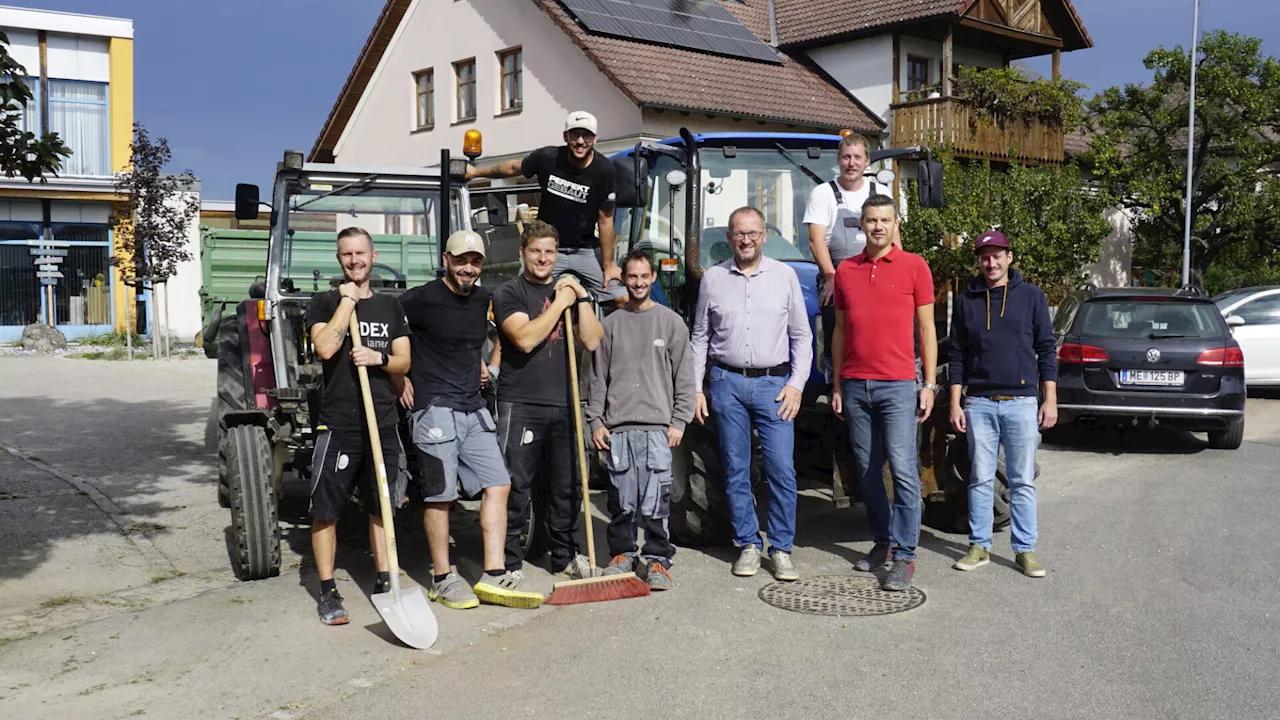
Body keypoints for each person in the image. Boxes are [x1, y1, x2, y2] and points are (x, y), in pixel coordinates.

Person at [395, 230, 537, 609]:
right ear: (447, 260)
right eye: (461, 260)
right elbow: (389, 329)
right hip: (434, 409)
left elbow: (495, 338)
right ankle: (442, 578)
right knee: (441, 495)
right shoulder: (420, 299)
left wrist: (487, 365)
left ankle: (492, 575)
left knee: (499, 484)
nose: (468, 268)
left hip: (473, 408)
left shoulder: (483, 300)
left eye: (475, 261)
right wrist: (398, 376)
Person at [691, 207, 812, 581]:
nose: (746, 240)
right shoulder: (712, 278)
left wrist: (796, 384)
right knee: (736, 468)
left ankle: (780, 548)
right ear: (729, 237)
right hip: (726, 383)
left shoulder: (785, 276)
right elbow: (700, 338)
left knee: (780, 469)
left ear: (764, 236)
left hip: (775, 386)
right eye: (738, 233)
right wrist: (696, 388)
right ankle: (747, 543)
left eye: (753, 233)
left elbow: (802, 337)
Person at [830, 195, 938, 592]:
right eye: (871, 219)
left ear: (895, 224)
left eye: (885, 220)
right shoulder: (846, 270)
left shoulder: (915, 266)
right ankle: (883, 544)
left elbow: (927, 330)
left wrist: (928, 384)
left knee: (905, 471)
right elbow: (840, 331)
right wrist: (838, 383)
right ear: (862, 225)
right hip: (856, 384)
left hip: (898, 385)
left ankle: (905, 555)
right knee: (868, 473)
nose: (878, 226)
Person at [304, 227, 411, 625]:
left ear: (373, 255)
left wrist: (377, 358)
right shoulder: (323, 303)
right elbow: (327, 347)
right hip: (340, 423)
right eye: (347, 254)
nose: (354, 260)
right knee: (326, 510)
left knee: (381, 504)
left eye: (360, 253)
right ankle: (328, 592)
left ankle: (386, 581)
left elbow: (404, 361)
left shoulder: (390, 307)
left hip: (381, 422)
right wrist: (346, 303)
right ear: (339, 259)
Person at [493, 219, 604, 583]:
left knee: (568, 484)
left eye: (549, 252)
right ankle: (509, 562)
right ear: (522, 253)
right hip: (521, 402)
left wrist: (582, 298)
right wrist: (560, 303)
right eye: (536, 251)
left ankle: (565, 556)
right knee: (516, 485)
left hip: (566, 401)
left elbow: (591, 341)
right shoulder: (509, 293)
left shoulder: (569, 292)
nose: (543, 258)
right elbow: (525, 339)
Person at [947, 230, 1057, 578]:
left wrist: (1049, 399)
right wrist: (954, 403)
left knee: (1022, 480)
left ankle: (1025, 549)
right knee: (979, 478)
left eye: (997, 255)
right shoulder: (966, 301)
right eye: (984, 256)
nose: (990, 262)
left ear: (1010, 257)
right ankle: (979, 545)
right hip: (978, 402)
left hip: (1022, 402)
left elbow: (1046, 350)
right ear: (978, 261)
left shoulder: (1032, 297)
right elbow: (957, 355)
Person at [587, 250, 695, 591]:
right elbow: (597, 378)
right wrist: (595, 422)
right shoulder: (611, 325)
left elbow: (685, 378)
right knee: (621, 498)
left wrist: (679, 421)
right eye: (631, 277)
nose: (638, 282)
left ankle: (658, 559)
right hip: (618, 428)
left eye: (644, 276)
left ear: (653, 278)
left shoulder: (671, 322)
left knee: (656, 500)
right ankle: (621, 554)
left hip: (658, 430)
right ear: (623, 280)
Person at [465, 110, 624, 302]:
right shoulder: (548, 158)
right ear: (565, 136)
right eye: (575, 135)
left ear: (595, 139)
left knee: (620, 299)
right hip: (545, 247)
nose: (580, 141)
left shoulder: (605, 170)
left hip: (584, 250)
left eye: (586, 135)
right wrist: (476, 173)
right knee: (521, 298)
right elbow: (514, 168)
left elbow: (605, 220)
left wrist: (608, 265)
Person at [803, 134, 884, 375]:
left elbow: (894, 239)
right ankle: (833, 379)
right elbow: (815, 240)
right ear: (838, 160)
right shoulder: (823, 193)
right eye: (846, 157)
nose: (852, 163)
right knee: (833, 318)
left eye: (857, 157)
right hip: (837, 272)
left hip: (876, 272)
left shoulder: (879, 191)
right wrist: (830, 276)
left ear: (867, 161)